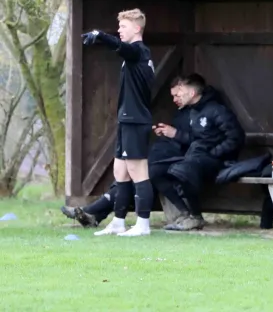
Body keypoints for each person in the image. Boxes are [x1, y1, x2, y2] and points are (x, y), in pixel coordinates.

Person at [60, 81, 192, 228]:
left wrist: (175, 134)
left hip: (183, 161)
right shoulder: (184, 111)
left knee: (138, 177)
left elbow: (202, 142)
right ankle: (94, 215)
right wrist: (169, 133)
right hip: (167, 156)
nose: (174, 99)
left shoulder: (208, 111)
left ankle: (93, 212)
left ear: (190, 91)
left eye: (177, 94)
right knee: (127, 177)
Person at [81, 8, 156, 237]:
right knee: (120, 172)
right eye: (118, 27)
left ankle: (143, 225)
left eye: (123, 26)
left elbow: (121, 48)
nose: (119, 30)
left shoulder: (139, 51)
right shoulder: (133, 55)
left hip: (136, 121)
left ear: (137, 28)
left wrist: (100, 36)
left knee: (138, 171)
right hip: (126, 120)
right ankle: (118, 222)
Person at [150, 73, 246, 231]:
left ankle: (196, 217)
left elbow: (236, 138)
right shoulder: (193, 113)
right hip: (194, 158)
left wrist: (214, 152)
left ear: (192, 93)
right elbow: (195, 138)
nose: (177, 96)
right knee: (154, 171)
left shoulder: (217, 110)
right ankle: (185, 213)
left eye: (180, 91)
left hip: (217, 160)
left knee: (184, 170)